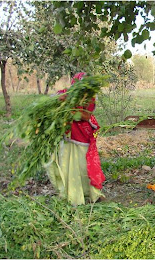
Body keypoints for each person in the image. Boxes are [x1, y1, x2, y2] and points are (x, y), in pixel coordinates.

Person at [45, 72, 106, 206]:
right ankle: (72, 196)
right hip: (69, 134)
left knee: (83, 165)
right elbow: (53, 99)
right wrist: (58, 100)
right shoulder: (67, 94)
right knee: (67, 163)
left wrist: (69, 110)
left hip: (82, 135)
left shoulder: (89, 98)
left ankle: (90, 193)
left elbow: (85, 116)